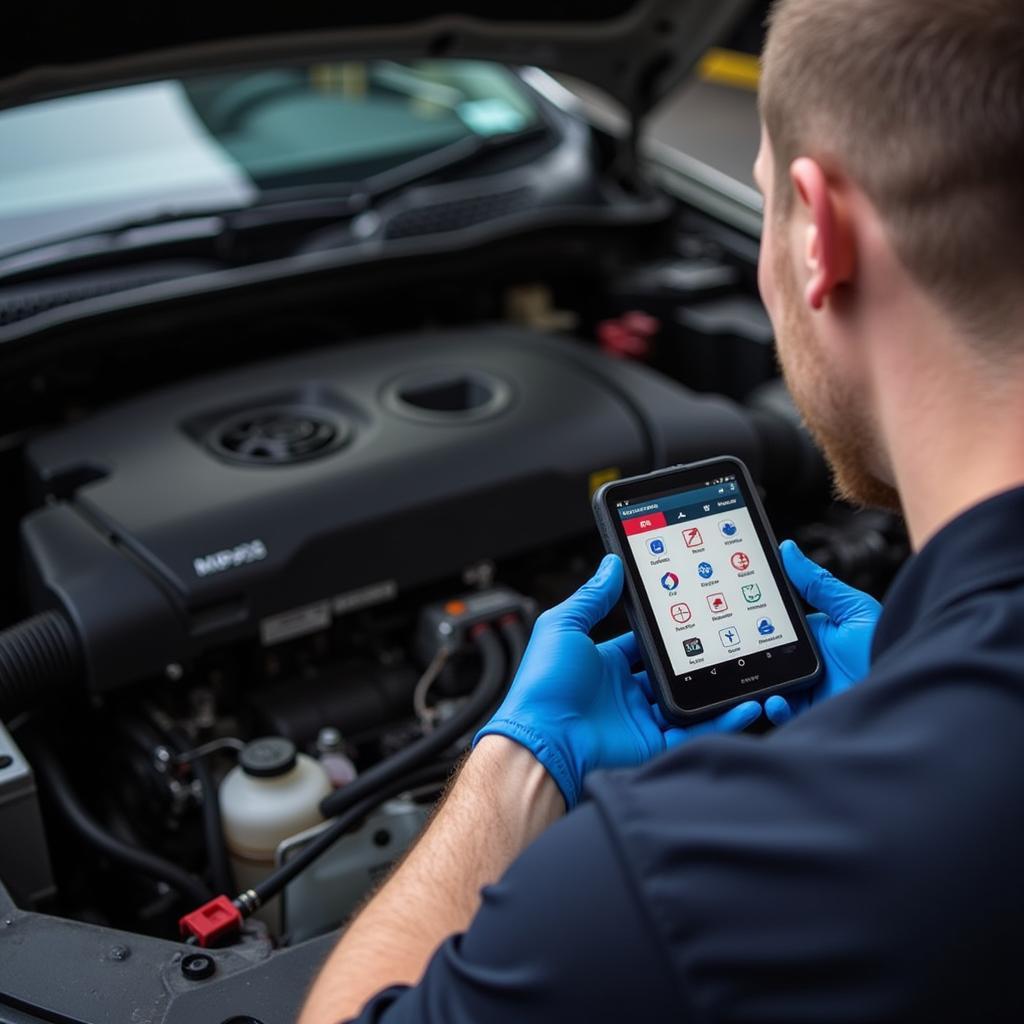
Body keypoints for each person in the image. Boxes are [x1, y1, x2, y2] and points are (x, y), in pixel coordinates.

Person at [300, 0, 1024, 1019]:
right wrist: (915, 665)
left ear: (818, 234)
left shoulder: (681, 879)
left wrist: (513, 768)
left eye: (767, 201)